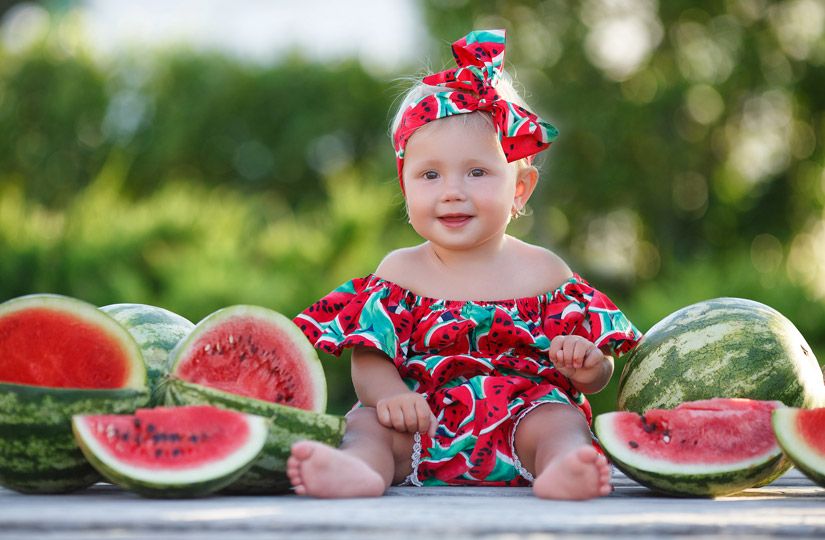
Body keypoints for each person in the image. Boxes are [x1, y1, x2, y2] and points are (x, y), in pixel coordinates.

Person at [288, 29, 641, 500]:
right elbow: (369, 355)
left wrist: (587, 364)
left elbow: (599, 375)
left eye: (477, 172)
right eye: (430, 175)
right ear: (406, 187)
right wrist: (390, 395)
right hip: (421, 420)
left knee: (560, 421)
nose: (452, 190)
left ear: (519, 188)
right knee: (368, 424)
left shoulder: (547, 275)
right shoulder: (398, 273)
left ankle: (564, 467)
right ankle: (359, 469)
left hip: (522, 417)